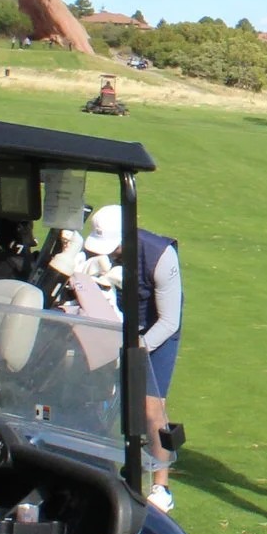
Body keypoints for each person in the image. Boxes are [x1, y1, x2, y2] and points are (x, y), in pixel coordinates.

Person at [82, 203, 183, 513]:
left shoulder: (160, 255)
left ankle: (161, 486)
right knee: (97, 393)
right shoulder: (99, 254)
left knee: (152, 407)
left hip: (156, 331)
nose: (108, 254)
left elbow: (169, 321)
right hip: (115, 322)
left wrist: (136, 348)